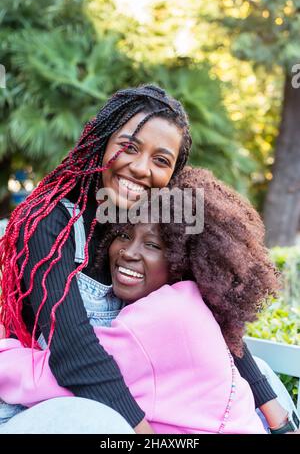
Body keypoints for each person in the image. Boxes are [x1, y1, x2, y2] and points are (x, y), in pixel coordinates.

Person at [0, 84, 290, 433]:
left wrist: (270, 406)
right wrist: (142, 432)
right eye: (129, 147)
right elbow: (73, 352)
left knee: (259, 380)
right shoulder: (50, 221)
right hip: (38, 401)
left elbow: (213, 316)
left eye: (160, 160)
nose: (140, 168)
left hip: (115, 390)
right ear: (101, 142)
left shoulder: (152, 220)